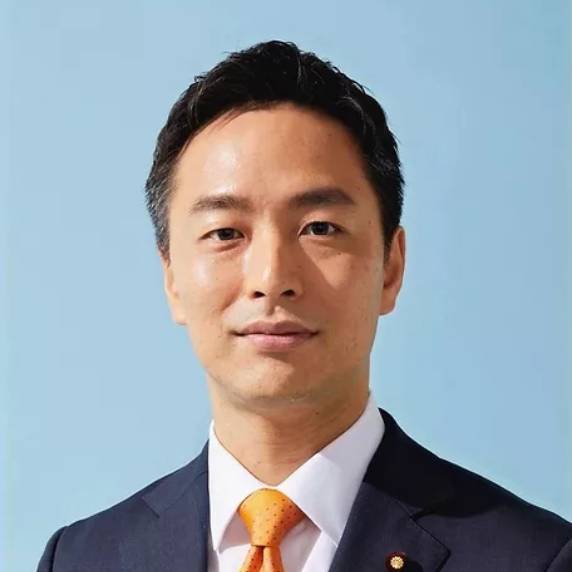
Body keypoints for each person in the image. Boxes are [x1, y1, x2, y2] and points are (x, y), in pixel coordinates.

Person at [37, 40, 571, 572]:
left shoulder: (534, 558)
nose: (272, 279)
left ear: (391, 267)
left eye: (319, 228)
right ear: (172, 276)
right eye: (225, 232)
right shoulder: (82, 559)